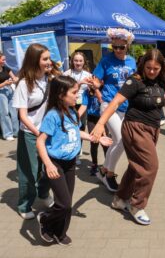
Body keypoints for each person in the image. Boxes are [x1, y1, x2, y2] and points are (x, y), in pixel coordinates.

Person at [91, 49, 165, 225]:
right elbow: (115, 102)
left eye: (156, 68)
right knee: (150, 167)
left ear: (161, 68)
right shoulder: (134, 81)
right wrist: (100, 124)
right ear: (143, 65)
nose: (152, 71)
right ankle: (136, 205)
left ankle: (119, 199)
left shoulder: (163, 83)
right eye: (148, 67)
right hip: (134, 128)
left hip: (153, 130)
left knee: (137, 165)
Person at [36, 75, 111, 245]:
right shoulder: (52, 116)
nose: (77, 96)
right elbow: (40, 142)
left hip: (70, 164)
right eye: (74, 92)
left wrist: (95, 138)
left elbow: (76, 133)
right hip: (55, 164)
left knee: (67, 202)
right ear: (61, 94)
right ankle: (46, 220)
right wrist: (48, 165)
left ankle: (60, 233)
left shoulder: (72, 112)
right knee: (64, 204)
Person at [92, 28, 137, 192]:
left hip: (126, 106)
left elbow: (136, 81)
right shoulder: (105, 61)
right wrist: (97, 87)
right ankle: (109, 175)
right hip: (109, 104)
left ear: (127, 46)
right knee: (122, 140)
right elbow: (96, 81)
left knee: (118, 141)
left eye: (121, 47)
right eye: (115, 47)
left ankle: (103, 169)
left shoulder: (132, 61)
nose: (118, 50)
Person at [12, 43, 54, 219]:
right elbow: (22, 115)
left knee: (50, 167)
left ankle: (43, 193)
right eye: (45, 59)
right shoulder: (24, 83)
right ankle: (24, 205)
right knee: (29, 170)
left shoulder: (49, 79)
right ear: (34, 60)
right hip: (30, 133)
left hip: (47, 132)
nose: (48, 62)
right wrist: (37, 134)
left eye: (49, 58)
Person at [63, 51, 92, 164]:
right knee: (67, 128)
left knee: (80, 128)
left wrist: (92, 87)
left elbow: (92, 91)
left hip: (82, 105)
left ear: (84, 62)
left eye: (80, 60)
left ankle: (77, 153)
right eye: (76, 60)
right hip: (69, 104)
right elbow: (64, 89)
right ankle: (67, 150)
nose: (78, 63)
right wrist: (79, 83)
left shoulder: (88, 74)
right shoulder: (67, 73)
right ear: (72, 61)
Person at [78, 85, 109, 176]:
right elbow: (84, 105)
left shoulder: (106, 89)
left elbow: (103, 102)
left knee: (105, 143)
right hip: (92, 119)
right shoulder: (87, 92)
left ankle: (107, 165)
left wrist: (97, 90)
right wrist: (75, 118)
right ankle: (94, 164)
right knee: (94, 141)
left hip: (103, 118)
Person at [0, 52, 19, 141]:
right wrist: (5, 83)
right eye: (3, 59)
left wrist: (15, 79)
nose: (5, 61)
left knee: (14, 111)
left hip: (9, 90)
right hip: (1, 93)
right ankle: (7, 134)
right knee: (5, 113)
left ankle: (16, 132)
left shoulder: (6, 68)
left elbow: (14, 78)